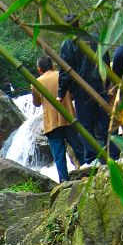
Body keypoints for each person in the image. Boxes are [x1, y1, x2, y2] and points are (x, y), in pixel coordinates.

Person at [57, 14, 118, 163]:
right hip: (100, 86)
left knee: (86, 126)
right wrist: (108, 83)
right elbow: (105, 61)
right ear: (80, 24)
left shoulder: (68, 44)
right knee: (106, 122)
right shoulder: (96, 39)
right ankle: (114, 155)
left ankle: (92, 159)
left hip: (82, 90)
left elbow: (65, 71)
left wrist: (61, 93)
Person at [32, 55, 85, 183]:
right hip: (68, 119)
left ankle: (65, 181)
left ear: (39, 70)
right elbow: (72, 93)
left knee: (59, 156)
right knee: (79, 149)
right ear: (53, 65)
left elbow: (37, 103)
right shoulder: (63, 76)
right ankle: (87, 173)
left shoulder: (36, 83)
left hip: (51, 123)